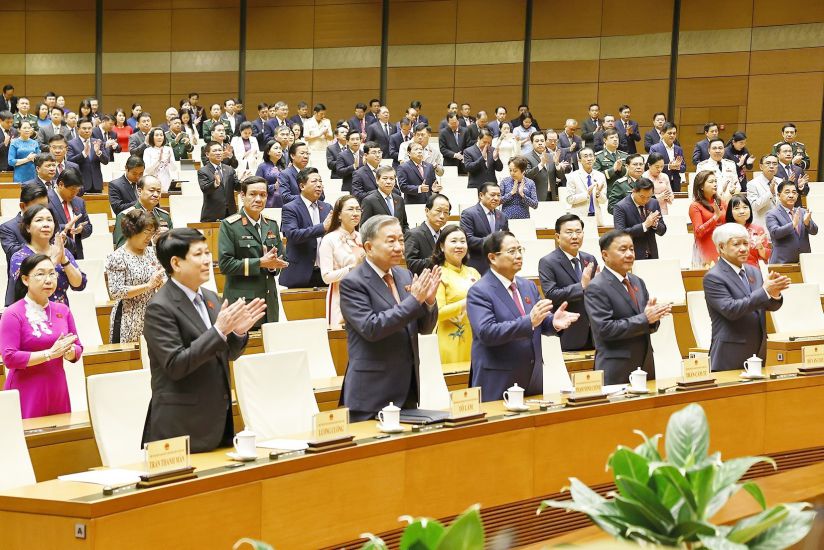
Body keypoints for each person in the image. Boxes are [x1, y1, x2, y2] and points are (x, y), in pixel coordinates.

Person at [142, 228, 266, 453]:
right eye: (198, 254)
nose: (208, 260)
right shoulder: (160, 307)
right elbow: (176, 365)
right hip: (180, 428)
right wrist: (219, 330)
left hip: (218, 422)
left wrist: (237, 333)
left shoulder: (210, 298)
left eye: (208, 253)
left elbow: (224, 354)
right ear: (176, 263)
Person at [339, 215, 439, 421]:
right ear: (368, 247)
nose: (399, 247)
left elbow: (424, 328)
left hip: (407, 390)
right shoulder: (353, 283)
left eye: (401, 240)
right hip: (371, 394)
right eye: (390, 240)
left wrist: (428, 302)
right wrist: (414, 301)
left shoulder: (405, 275)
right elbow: (372, 328)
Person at [467, 231, 579, 401]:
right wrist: (529, 321)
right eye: (512, 251)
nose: (519, 255)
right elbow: (486, 332)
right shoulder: (479, 291)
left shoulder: (528, 286)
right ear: (492, 257)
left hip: (532, 377)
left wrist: (553, 322)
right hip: (498, 379)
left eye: (520, 250)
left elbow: (539, 320)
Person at [0, 254, 83, 419]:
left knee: (59, 440)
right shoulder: (12, 313)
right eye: (40, 274)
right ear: (25, 279)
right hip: (26, 389)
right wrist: (49, 354)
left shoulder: (62, 310)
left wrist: (70, 351)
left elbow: (78, 347)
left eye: (52, 273)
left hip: (57, 386)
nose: (48, 279)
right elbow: (9, 357)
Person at [585, 230, 670, 384]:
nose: (630, 254)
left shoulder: (637, 281)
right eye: (623, 250)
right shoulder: (597, 287)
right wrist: (645, 318)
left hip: (645, 364)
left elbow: (647, 323)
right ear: (605, 255)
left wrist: (653, 319)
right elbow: (605, 329)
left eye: (631, 248)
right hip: (616, 369)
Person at [703, 223, 787, 372]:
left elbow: (767, 305)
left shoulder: (753, 271)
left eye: (746, 243)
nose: (743, 248)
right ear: (721, 247)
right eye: (736, 244)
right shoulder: (713, 277)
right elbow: (731, 310)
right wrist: (765, 291)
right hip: (729, 354)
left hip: (758, 350)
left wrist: (774, 295)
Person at [218, 176, 287, 326]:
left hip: (269, 301)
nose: (258, 199)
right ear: (242, 196)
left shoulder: (272, 225)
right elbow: (225, 265)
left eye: (263, 195)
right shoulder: (230, 225)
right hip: (242, 303)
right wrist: (260, 263)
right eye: (253, 194)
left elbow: (280, 259)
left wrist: (272, 266)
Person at [538, 214, 598, 351]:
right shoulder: (547, 262)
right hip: (568, 333)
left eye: (578, 232)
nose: (575, 236)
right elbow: (551, 294)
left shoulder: (590, 259)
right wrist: (581, 286)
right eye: (569, 232)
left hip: (594, 334)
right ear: (558, 237)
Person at [105, 210, 166, 343]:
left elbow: (162, 276)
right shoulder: (117, 257)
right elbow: (116, 291)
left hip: (153, 314)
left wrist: (161, 282)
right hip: (128, 316)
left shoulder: (152, 253)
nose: (149, 237)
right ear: (132, 231)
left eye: (152, 233)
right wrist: (148, 286)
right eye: (146, 232)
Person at [10, 204, 86, 306]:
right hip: (32, 315)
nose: (46, 224)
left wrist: (64, 260)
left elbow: (79, 285)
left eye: (49, 220)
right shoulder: (20, 257)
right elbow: (27, 288)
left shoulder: (63, 252)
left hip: (60, 315)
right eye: (39, 220)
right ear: (28, 227)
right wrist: (54, 261)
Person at [432, 225, 479, 363]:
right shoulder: (438, 274)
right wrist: (467, 302)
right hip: (451, 340)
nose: (459, 245)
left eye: (463, 241)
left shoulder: (473, 272)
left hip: (476, 338)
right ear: (441, 246)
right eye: (453, 241)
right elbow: (437, 313)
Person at [279, 167, 332, 288]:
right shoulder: (290, 208)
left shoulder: (327, 207)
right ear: (302, 186)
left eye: (320, 182)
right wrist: (322, 227)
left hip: (325, 272)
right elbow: (293, 235)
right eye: (314, 181)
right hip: (300, 273)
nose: (319, 185)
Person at [318, 195, 365, 328]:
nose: (355, 213)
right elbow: (326, 277)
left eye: (358, 209)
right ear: (339, 215)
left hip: (364, 294)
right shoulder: (329, 239)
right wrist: (352, 268)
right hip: (341, 295)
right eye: (350, 209)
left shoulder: (362, 237)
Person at [1, 183, 49, 305]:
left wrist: (64, 239)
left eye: (45, 207)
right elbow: (13, 251)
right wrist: (38, 242)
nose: (42, 212)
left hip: (48, 293)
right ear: (23, 206)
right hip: (20, 293)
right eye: (37, 207)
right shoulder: (8, 227)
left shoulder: (49, 224)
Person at [613, 178, 668, 260]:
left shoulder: (654, 203)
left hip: (652, 255)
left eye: (649, 197)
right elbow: (620, 235)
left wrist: (655, 224)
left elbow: (662, 230)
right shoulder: (620, 207)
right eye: (642, 196)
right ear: (634, 191)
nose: (645, 200)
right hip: (632, 256)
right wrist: (644, 225)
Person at [461, 182, 508, 275]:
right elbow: (467, 239)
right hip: (476, 266)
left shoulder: (502, 216)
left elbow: (505, 239)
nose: (496, 198)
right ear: (481, 195)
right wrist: (492, 242)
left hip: (499, 267)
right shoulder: (469, 214)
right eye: (492, 195)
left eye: (499, 195)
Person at [766, 181, 818, 264]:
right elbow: (775, 233)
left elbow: (815, 231)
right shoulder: (772, 214)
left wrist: (807, 223)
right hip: (782, 263)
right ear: (779, 195)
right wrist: (793, 224)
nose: (791, 195)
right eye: (787, 192)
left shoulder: (803, 211)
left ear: (797, 196)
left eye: (794, 193)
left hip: (804, 262)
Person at [113, 175, 172, 248]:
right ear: (139, 191)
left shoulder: (164, 216)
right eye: (151, 190)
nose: (156, 195)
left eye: (159, 191)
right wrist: (152, 242)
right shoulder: (127, 216)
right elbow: (122, 248)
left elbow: (171, 244)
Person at [47, 168, 92, 259]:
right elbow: (45, 227)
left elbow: (89, 227)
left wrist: (81, 229)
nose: (75, 194)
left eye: (77, 191)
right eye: (72, 190)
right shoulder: (46, 200)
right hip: (55, 254)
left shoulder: (79, 202)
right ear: (61, 185)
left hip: (77, 254)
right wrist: (66, 227)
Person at [405, 194, 451, 275]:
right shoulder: (413, 234)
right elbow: (411, 264)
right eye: (438, 211)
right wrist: (439, 258)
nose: (442, 216)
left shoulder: (446, 236)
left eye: (446, 212)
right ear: (427, 211)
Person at [689, 170, 727, 267]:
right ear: (701, 186)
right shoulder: (695, 206)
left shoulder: (722, 202)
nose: (715, 184)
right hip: (705, 248)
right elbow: (698, 232)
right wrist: (715, 217)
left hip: (723, 246)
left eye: (715, 181)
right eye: (711, 182)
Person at [198, 141, 241, 222]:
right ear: (207, 154)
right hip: (213, 214)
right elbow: (204, 189)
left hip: (231, 213)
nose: (218, 153)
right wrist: (215, 184)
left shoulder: (229, 169)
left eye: (220, 150)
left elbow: (238, 187)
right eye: (214, 151)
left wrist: (242, 181)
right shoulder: (203, 171)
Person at [360, 165, 409, 233]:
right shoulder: (369, 201)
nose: (388, 182)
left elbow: (404, 225)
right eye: (385, 178)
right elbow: (364, 227)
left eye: (391, 178)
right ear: (377, 180)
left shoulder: (399, 199)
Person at [726, 194, 771, 267]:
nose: (742, 211)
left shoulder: (758, 230)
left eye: (745, 207)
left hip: (754, 272)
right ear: (730, 212)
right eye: (737, 208)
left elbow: (767, 256)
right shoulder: (725, 231)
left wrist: (760, 248)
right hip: (732, 272)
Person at [68, 118, 110, 194]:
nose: (87, 130)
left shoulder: (97, 142)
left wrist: (98, 153)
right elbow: (69, 161)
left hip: (97, 184)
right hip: (80, 184)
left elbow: (106, 161)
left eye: (89, 128)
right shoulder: (71, 144)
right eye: (84, 128)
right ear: (78, 129)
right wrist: (83, 154)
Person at [566, 148, 607, 223]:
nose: (589, 159)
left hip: (596, 218)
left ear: (594, 159)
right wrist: (587, 194)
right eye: (585, 156)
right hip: (579, 218)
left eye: (591, 156)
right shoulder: (573, 176)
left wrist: (598, 194)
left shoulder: (601, 176)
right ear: (580, 160)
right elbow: (569, 199)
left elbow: (603, 201)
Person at [524, 132, 561, 201]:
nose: (540, 143)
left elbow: (560, 176)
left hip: (552, 196)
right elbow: (527, 176)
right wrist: (541, 165)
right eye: (537, 141)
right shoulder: (526, 157)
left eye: (542, 141)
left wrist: (557, 164)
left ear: (545, 142)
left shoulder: (551, 156)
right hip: (536, 197)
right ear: (531, 143)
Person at [649, 122, 686, 192]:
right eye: (669, 133)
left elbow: (684, 167)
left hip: (675, 183)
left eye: (674, 133)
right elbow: (651, 167)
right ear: (662, 134)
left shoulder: (678, 149)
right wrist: (669, 166)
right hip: (659, 183)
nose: (672, 135)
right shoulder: (655, 148)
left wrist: (678, 167)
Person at [746, 154, 780, 228]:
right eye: (768, 163)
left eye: (774, 164)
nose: (771, 166)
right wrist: (770, 193)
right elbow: (754, 206)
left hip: (780, 225)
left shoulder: (781, 182)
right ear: (761, 166)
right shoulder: (752, 184)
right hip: (762, 225)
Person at [142, 127, 178, 193]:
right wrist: (159, 160)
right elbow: (147, 170)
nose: (159, 137)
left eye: (161, 135)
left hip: (166, 180)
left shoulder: (169, 149)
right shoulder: (147, 151)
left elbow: (174, 168)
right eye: (157, 135)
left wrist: (169, 160)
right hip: (152, 181)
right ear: (152, 137)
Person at [775, 142, 808, 208]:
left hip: (796, 207)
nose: (788, 154)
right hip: (780, 208)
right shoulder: (774, 170)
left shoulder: (798, 170)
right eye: (785, 151)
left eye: (790, 151)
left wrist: (801, 187)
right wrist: (787, 184)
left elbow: (806, 191)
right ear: (778, 154)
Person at [255, 140, 284, 207]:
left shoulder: (282, 167)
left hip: (282, 201)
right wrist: (273, 186)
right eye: (276, 148)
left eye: (280, 148)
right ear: (268, 152)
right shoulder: (262, 167)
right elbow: (257, 186)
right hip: (268, 202)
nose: (279, 151)